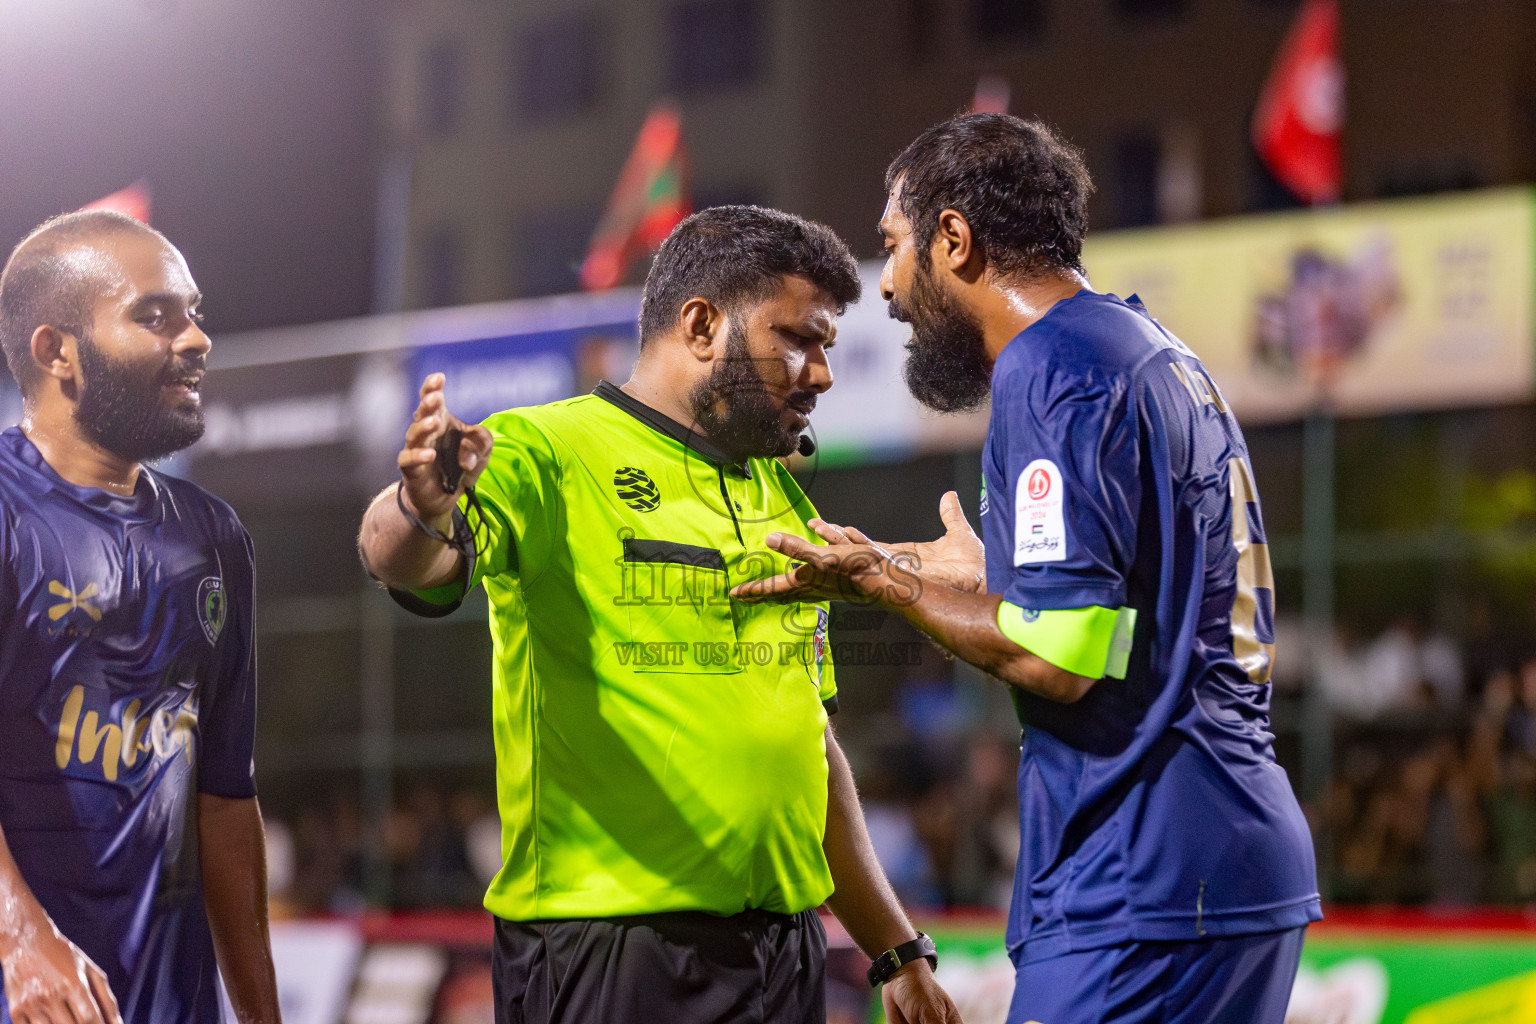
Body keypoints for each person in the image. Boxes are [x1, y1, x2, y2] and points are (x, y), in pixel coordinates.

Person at [736, 115, 1321, 1023]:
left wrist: (881, 583)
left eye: (891, 247)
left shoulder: (1052, 367)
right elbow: (1120, 602)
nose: (885, 284)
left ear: (954, 239)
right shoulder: (1147, 350)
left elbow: (1058, 659)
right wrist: (969, 575)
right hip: (1222, 866)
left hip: (1146, 883)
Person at [357, 205, 961, 1024]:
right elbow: (405, 558)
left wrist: (895, 950)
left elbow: (808, 746)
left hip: (785, 955)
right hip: (610, 952)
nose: (820, 372)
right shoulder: (545, 451)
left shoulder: (775, 490)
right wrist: (418, 506)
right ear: (703, 324)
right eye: (797, 339)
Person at [0, 211, 279, 1024]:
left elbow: (225, 800)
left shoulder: (213, 537)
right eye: (154, 317)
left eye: (193, 314)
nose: (195, 340)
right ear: (58, 352)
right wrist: (20, 938)